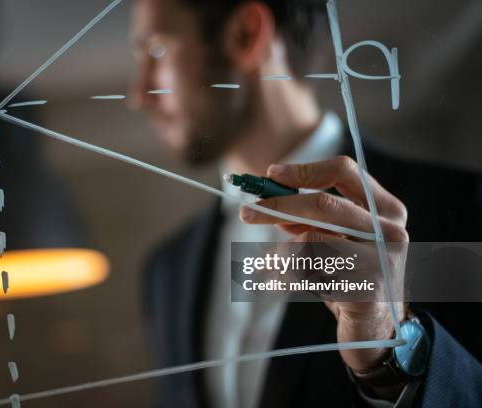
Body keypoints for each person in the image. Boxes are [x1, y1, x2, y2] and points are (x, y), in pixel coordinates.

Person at [127, 0, 482, 406]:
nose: (138, 95)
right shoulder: (165, 272)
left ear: (245, 35)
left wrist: (389, 343)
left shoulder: (463, 208)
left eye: (156, 49)